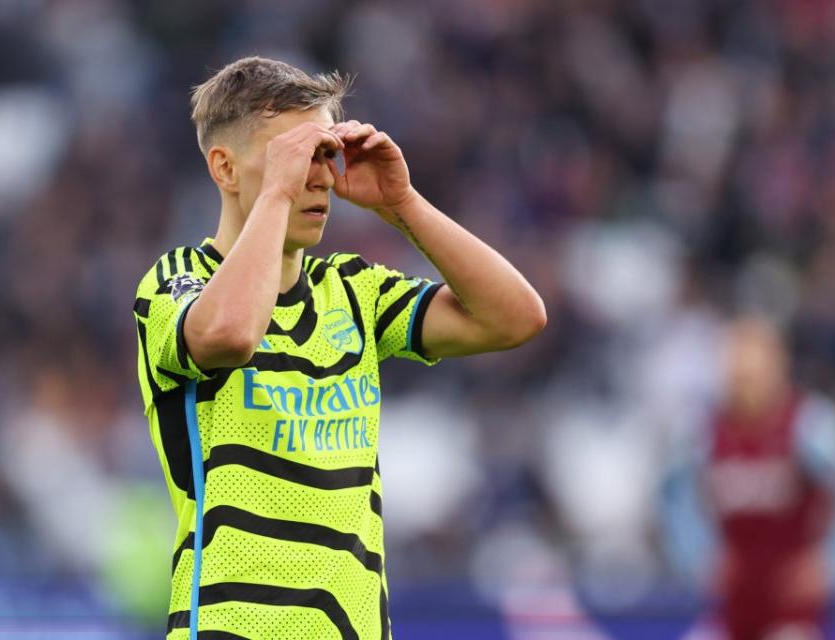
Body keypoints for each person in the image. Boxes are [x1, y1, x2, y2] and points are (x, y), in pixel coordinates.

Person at [132, 56, 546, 640]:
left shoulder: (353, 292)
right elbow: (229, 335)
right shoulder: (176, 282)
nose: (321, 176)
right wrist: (277, 194)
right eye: (294, 156)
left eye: (326, 154)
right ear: (224, 169)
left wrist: (400, 205)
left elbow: (516, 318)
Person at [659, 316, 835, 640]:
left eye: (753, 372)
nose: (745, 383)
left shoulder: (809, 424)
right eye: (738, 373)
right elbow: (672, 493)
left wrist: (834, 562)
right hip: (733, 608)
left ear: (777, 367)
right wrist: (699, 556)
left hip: (793, 609)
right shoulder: (704, 429)